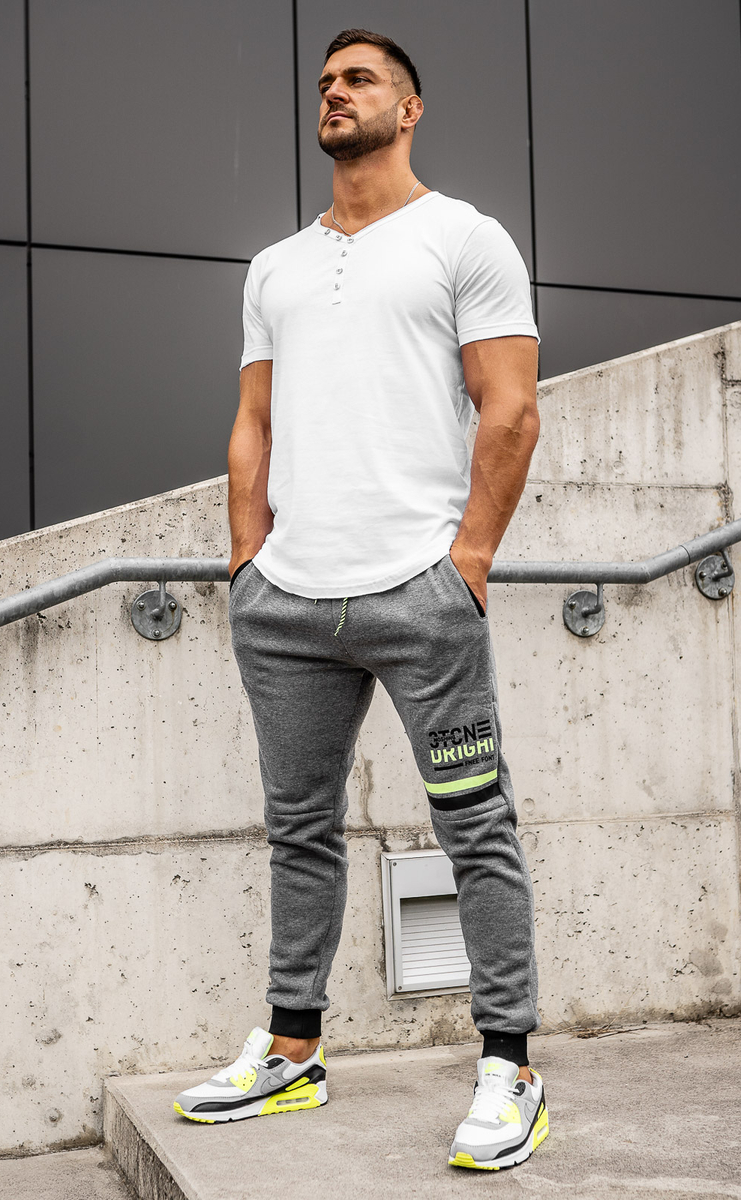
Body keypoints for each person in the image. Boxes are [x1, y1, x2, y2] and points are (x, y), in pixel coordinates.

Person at [173, 28, 547, 1171]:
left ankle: (511, 1067)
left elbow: (511, 407)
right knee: (298, 832)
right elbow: (253, 420)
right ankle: (293, 1049)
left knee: (474, 826)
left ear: (410, 107)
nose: (335, 93)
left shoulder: (464, 238)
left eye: (361, 79)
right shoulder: (275, 267)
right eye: (327, 81)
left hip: (420, 594)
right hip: (286, 605)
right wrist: (247, 558)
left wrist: (466, 563)